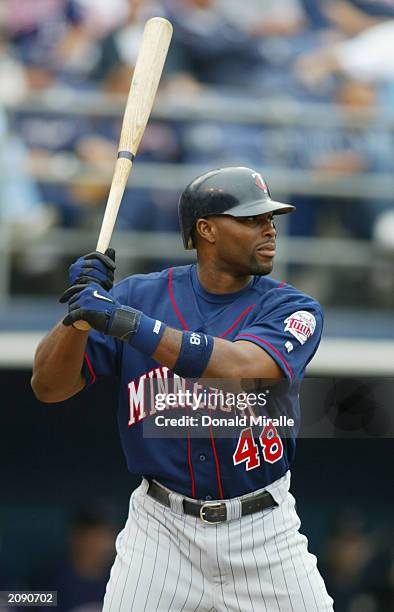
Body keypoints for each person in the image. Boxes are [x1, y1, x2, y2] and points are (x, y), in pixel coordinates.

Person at [31, 166, 334, 611]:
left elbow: (242, 367)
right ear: (206, 229)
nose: (270, 229)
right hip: (161, 527)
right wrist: (77, 313)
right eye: (252, 219)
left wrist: (128, 324)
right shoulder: (140, 296)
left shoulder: (291, 306)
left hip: (262, 528)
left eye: (270, 219)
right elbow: (48, 387)